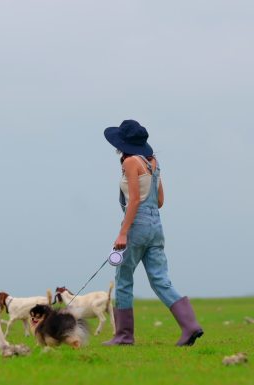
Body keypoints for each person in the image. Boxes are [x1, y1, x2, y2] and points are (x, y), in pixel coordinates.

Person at [102, 119, 204, 347]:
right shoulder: (153, 162)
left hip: (137, 225)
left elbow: (135, 200)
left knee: (123, 279)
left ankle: (124, 336)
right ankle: (190, 325)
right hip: (156, 227)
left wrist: (123, 233)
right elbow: (159, 201)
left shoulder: (130, 162)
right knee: (160, 279)